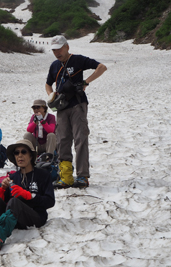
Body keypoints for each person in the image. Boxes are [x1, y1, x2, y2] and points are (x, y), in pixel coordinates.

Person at [45, 35, 107, 189]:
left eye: (59, 48)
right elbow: (48, 84)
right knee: (63, 140)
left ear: (67, 47)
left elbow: (101, 67)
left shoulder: (77, 60)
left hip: (78, 104)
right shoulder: (54, 66)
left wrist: (86, 82)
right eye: (54, 50)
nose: (57, 52)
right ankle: (66, 177)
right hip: (61, 107)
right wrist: (51, 95)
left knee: (80, 139)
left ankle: (82, 176)